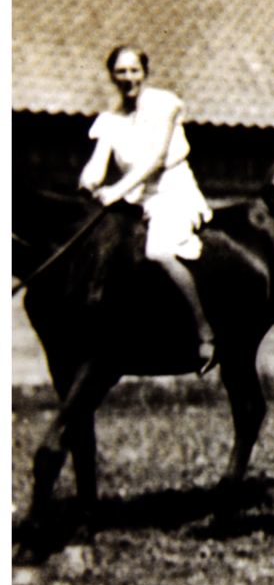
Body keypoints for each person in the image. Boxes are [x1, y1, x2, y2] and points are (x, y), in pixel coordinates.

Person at [78, 45, 216, 372]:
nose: (128, 78)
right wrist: (88, 181)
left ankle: (205, 333)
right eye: (121, 72)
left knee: (158, 252)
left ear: (145, 72)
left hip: (173, 194)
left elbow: (155, 160)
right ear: (111, 75)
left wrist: (115, 190)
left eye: (134, 70)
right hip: (136, 201)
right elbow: (98, 164)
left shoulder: (163, 104)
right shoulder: (109, 120)